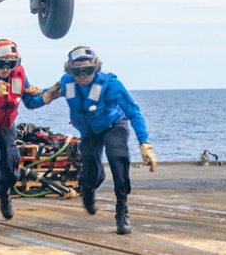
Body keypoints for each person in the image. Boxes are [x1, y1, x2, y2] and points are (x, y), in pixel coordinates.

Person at [57, 45, 156, 235]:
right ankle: (87, 187)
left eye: (88, 70)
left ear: (97, 69)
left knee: (117, 155)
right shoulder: (66, 83)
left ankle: (122, 210)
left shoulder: (110, 85)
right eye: (77, 71)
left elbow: (133, 111)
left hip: (113, 125)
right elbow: (44, 96)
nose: (83, 75)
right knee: (93, 173)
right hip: (90, 133)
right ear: (70, 71)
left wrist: (144, 144)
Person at [0, 39, 61, 231]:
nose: (7, 69)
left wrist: (46, 97)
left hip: (4, 119)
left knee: (10, 162)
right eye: (2, 64)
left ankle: (5, 190)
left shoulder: (18, 75)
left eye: (12, 64)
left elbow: (30, 101)